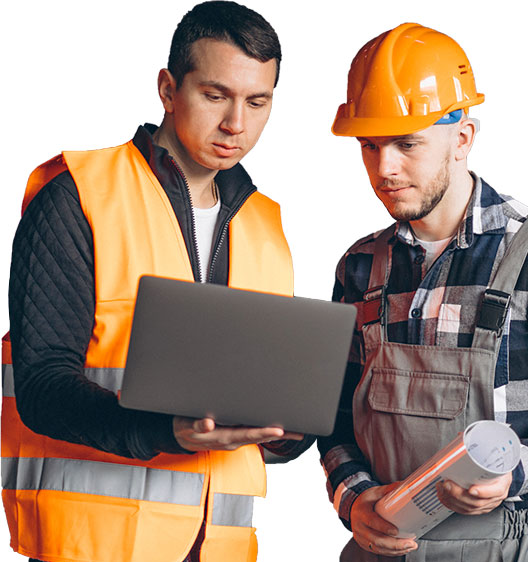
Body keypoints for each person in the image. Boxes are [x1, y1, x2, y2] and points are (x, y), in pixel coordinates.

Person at [2, 2, 312, 562]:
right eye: (215, 95)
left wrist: (290, 427)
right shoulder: (78, 197)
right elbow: (43, 388)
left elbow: (266, 405)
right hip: (93, 543)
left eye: (257, 101)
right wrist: (167, 431)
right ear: (168, 89)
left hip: (217, 547)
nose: (236, 123)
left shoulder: (265, 225)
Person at [318, 22, 528, 561]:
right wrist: (354, 498)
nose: (383, 168)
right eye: (369, 146)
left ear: (463, 138)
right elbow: (336, 417)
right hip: (384, 548)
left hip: (511, 546)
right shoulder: (361, 266)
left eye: (406, 144)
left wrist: (517, 469)